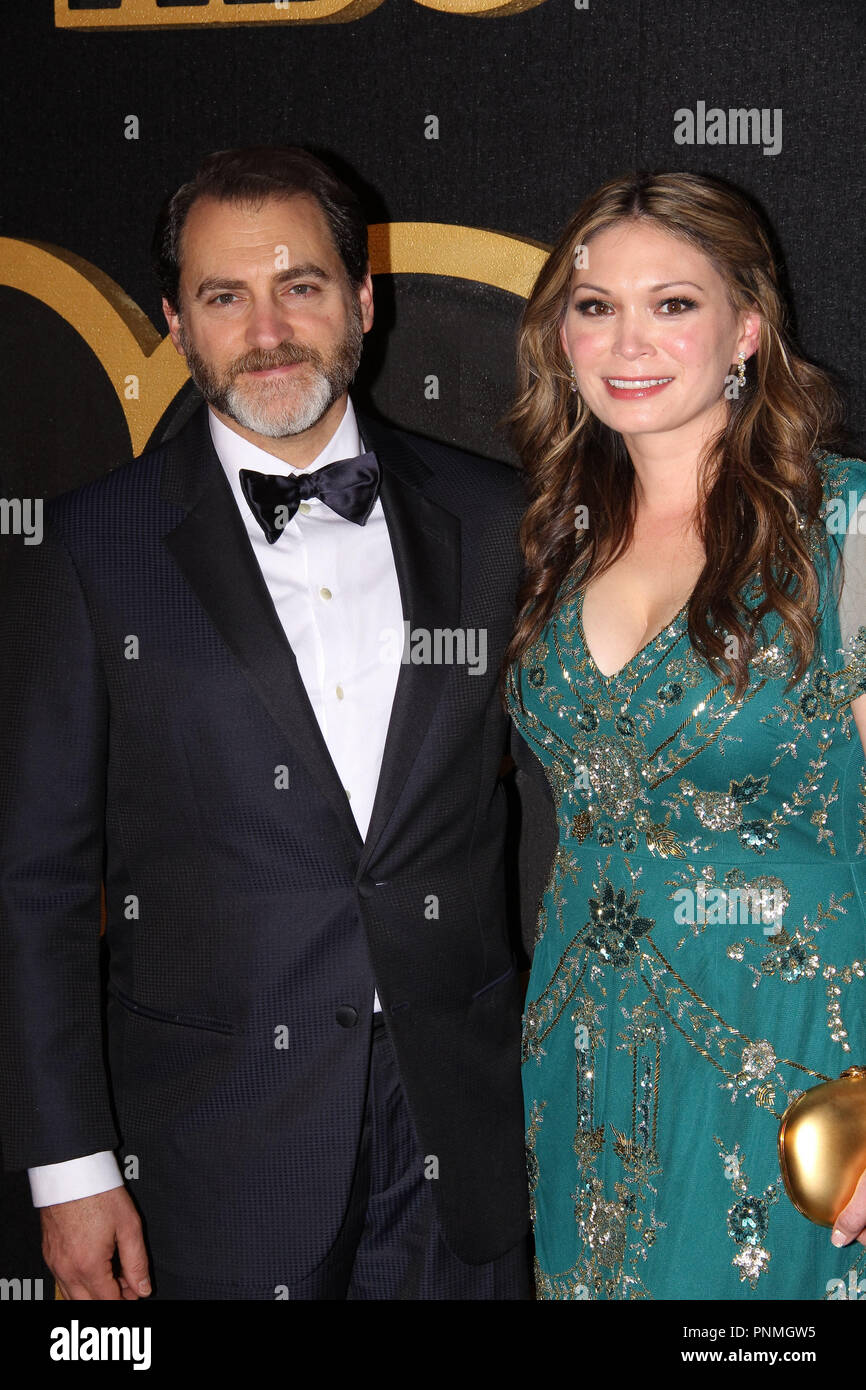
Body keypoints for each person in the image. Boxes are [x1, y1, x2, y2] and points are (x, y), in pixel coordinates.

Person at [0, 146, 530, 1300]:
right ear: (175, 324)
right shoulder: (90, 549)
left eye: (301, 285)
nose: (269, 328)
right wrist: (68, 1167)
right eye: (223, 296)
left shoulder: (499, 521)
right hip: (208, 1147)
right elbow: (33, 881)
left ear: (363, 299)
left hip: (462, 1132)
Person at [503, 170, 866, 1300]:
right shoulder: (559, 532)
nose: (625, 338)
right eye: (592, 303)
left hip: (795, 1044)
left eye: (672, 303)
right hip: (581, 1042)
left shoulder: (845, 527)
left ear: (745, 328)